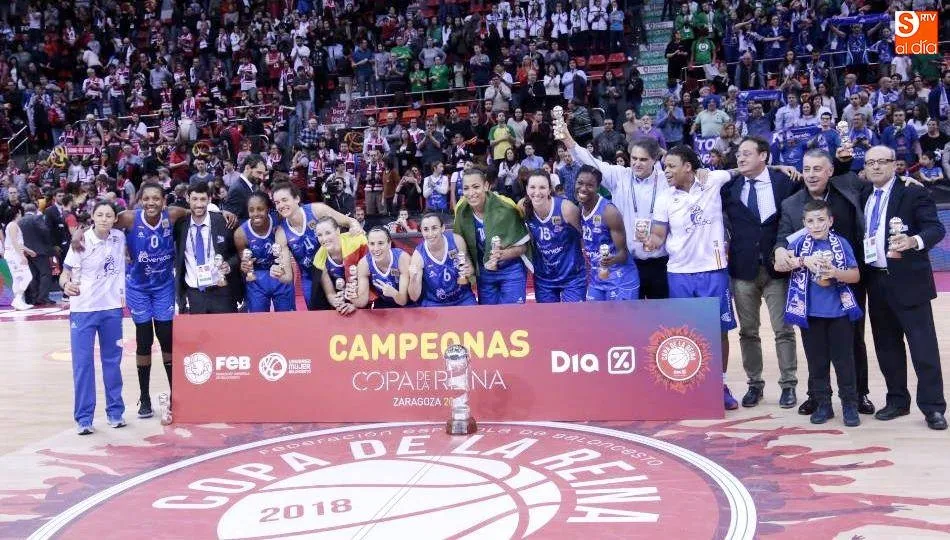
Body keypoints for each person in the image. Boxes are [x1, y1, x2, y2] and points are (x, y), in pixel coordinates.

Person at [773, 149, 876, 416]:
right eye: (806, 169)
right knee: (815, 344)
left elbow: (880, 181)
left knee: (853, 339)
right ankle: (818, 397)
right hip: (810, 287)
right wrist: (780, 251)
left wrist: (906, 179)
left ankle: (858, 395)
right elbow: (783, 237)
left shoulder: (848, 186)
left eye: (817, 169)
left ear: (830, 171)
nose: (811, 175)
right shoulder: (792, 204)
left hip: (850, 277)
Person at [644, 145, 738, 410]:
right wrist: (649, 241)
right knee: (684, 334)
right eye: (665, 166)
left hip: (713, 270)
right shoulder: (664, 198)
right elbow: (658, 236)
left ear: (688, 167)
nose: (667, 171)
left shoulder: (713, 180)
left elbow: (742, 169)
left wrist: (781, 168)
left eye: (672, 165)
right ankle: (690, 385)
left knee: (719, 331)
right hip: (679, 274)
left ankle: (720, 385)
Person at [860, 146, 946, 430]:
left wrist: (913, 241)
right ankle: (897, 400)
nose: (875, 167)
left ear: (895, 164)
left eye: (881, 162)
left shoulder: (913, 191)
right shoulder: (863, 195)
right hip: (876, 280)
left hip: (909, 280)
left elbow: (936, 229)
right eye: (870, 162)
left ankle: (933, 407)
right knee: (887, 347)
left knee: (923, 347)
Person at [721, 137, 800, 410]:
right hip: (742, 271)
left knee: (783, 330)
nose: (740, 158)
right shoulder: (729, 187)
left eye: (746, 154)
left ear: (763, 155)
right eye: (738, 154)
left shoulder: (785, 182)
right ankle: (755, 385)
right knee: (748, 333)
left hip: (776, 269)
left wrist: (781, 167)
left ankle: (788, 385)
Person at [780, 200, 863, 426]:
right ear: (804, 223)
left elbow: (855, 276)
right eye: (810, 221)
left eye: (820, 220)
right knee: (817, 362)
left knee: (844, 361)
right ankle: (823, 404)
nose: (816, 225)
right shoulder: (798, 244)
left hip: (839, 314)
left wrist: (835, 272)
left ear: (830, 221)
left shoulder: (842, 243)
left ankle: (849, 405)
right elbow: (779, 266)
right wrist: (803, 261)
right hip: (811, 315)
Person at [563, 132, 672, 299]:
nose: (636, 163)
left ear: (654, 160)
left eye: (643, 159)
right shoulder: (620, 176)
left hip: (659, 263)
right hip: (627, 263)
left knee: (659, 319)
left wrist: (700, 170)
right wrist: (569, 141)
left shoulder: (667, 181)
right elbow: (590, 161)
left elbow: (690, 175)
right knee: (631, 320)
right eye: (634, 158)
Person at [60, 201, 127, 435]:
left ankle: (115, 412)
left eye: (109, 215)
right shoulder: (81, 241)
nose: (104, 219)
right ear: (92, 216)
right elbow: (65, 272)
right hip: (83, 310)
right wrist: (66, 284)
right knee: (83, 365)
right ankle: (84, 418)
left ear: (115, 218)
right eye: (100, 215)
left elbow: (135, 214)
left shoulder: (119, 237)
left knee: (112, 363)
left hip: (111, 309)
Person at [271, 183, 363, 311]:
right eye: (277, 202)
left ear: (297, 199)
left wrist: (356, 227)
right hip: (311, 277)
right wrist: (279, 274)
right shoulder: (281, 233)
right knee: (318, 317)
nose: (281, 205)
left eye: (284, 200)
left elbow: (350, 221)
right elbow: (288, 277)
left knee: (349, 310)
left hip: (338, 270)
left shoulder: (317, 210)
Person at [454, 168, 531, 305]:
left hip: (511, 271)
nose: (471, 193)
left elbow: (523, 246)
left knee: (513, 318)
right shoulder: (461, 209)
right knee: (489, 319)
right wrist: (467, 262)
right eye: (466, 188)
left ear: (486, 186)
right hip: (484, 273)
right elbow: (458, 236)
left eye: (476, 187)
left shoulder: (506, 207)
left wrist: (502, 254)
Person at [575, 165, 640, 300]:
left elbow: (623, 254)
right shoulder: (579, 208)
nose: (583, 188)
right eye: (580, 183)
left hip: (620, 280)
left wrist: (610, 260)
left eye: (590, 185)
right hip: (597, 279)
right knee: (594, 320)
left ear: (598, 187)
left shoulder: (609, 212)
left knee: (620, 321)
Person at [521, 169, 588, 302]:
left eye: (542, 187)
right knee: (548, 321)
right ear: (527, 189)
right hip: (544, 278)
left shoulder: (566, 208)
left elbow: (585, 236)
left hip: (572, 276)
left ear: (550, 189)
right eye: (532, 187)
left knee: (574, 319)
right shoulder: (522, 207)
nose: (537, 192)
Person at [174, 182, 240, 315]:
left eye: (203, 199)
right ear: (188, 199)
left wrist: (229, 264)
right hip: (194, 293)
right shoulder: (180, 225)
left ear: (209, 200)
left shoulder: (222, 222)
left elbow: (238, 254)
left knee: (226, 334)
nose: (199, 204)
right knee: (200, 335)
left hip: (221, 290)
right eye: (195, 199)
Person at [234, 193, 295, 313]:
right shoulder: (240, 234)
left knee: (287, 318)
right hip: (257, 279)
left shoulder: (279, 220)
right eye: (251, 210)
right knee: (258, 320)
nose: (256, 213)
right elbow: (244, 262)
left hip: (281, 273)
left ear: (267, 208)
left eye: (260, 209)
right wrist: (244, 266)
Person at [408, 213, 477, 307]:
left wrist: (469, 271)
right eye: (426, 229)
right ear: (421, 231)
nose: (430, 234)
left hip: (463, 298)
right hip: (434, 303)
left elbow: (471, 269)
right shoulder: (418, 256)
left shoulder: (457, 240)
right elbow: (414, 297)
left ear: (443, 228)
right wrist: (413, 278)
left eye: (434, 228)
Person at [313, 217, 369, 316]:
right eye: (320, 235)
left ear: (338, 231)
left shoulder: (358, 242)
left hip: (367, 296)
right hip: (345, 297)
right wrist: (338, 304)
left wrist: (355, 304)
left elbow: (372, 277)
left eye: (328, 233)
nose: (324, 239)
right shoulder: (319, 258)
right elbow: (330, 293)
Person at [355, 227, 411, 309]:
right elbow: (362, 302)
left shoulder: (402, 258)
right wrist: (352, 297)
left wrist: (393, 293)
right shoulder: (364, 264)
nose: (376, 248)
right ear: (368, 245)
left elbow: (403, 301)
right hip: (384, 303)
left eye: (380, 243)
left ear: (389, 244)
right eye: (372, 244)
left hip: (408, 304)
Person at [18, 204, 54, 306]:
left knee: (33, 275)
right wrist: (47, 245)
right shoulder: (37, 217)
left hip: (26, 252)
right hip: (40, 251)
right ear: (35, 210)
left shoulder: (20, 221)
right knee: (45, 274)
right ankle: (43, 298)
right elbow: (45, 231)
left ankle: (34, 298)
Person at [2, 207, 34, 310]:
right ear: (17, 214)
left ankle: (19, 302)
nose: (21, 215)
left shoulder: (13, 225)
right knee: (27, 276)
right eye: (20, 213)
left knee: (18, 279)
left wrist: (28, 251)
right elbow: (14, 242)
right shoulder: (13, 225)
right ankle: (17, 299)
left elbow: (17, 242)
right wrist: (21, 256)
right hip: (13, 254)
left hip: (12, 253)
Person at [224, 154, 267, 221]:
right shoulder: (237, 189)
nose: (261, 177)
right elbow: (232, 222)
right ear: (247, 168)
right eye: (259, 172)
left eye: (262, 174)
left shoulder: (253, 186)